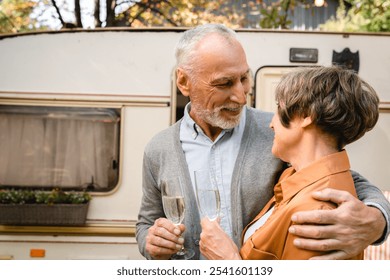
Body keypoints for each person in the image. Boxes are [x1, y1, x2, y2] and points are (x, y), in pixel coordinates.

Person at [135, 23, 390, 260]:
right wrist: (150, 241)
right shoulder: (159, 150)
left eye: (244, 79)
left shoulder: (280, 134)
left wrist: (378, 219)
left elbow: (334, 173)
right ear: (183, 81)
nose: (241, 97)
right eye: (224, 83)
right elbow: (146, 222)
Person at [199, 66, 380, 260]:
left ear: (305, 116)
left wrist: (228, 262)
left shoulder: (318, 215)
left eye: (279, 107)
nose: (271, 123)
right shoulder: (293, 175)